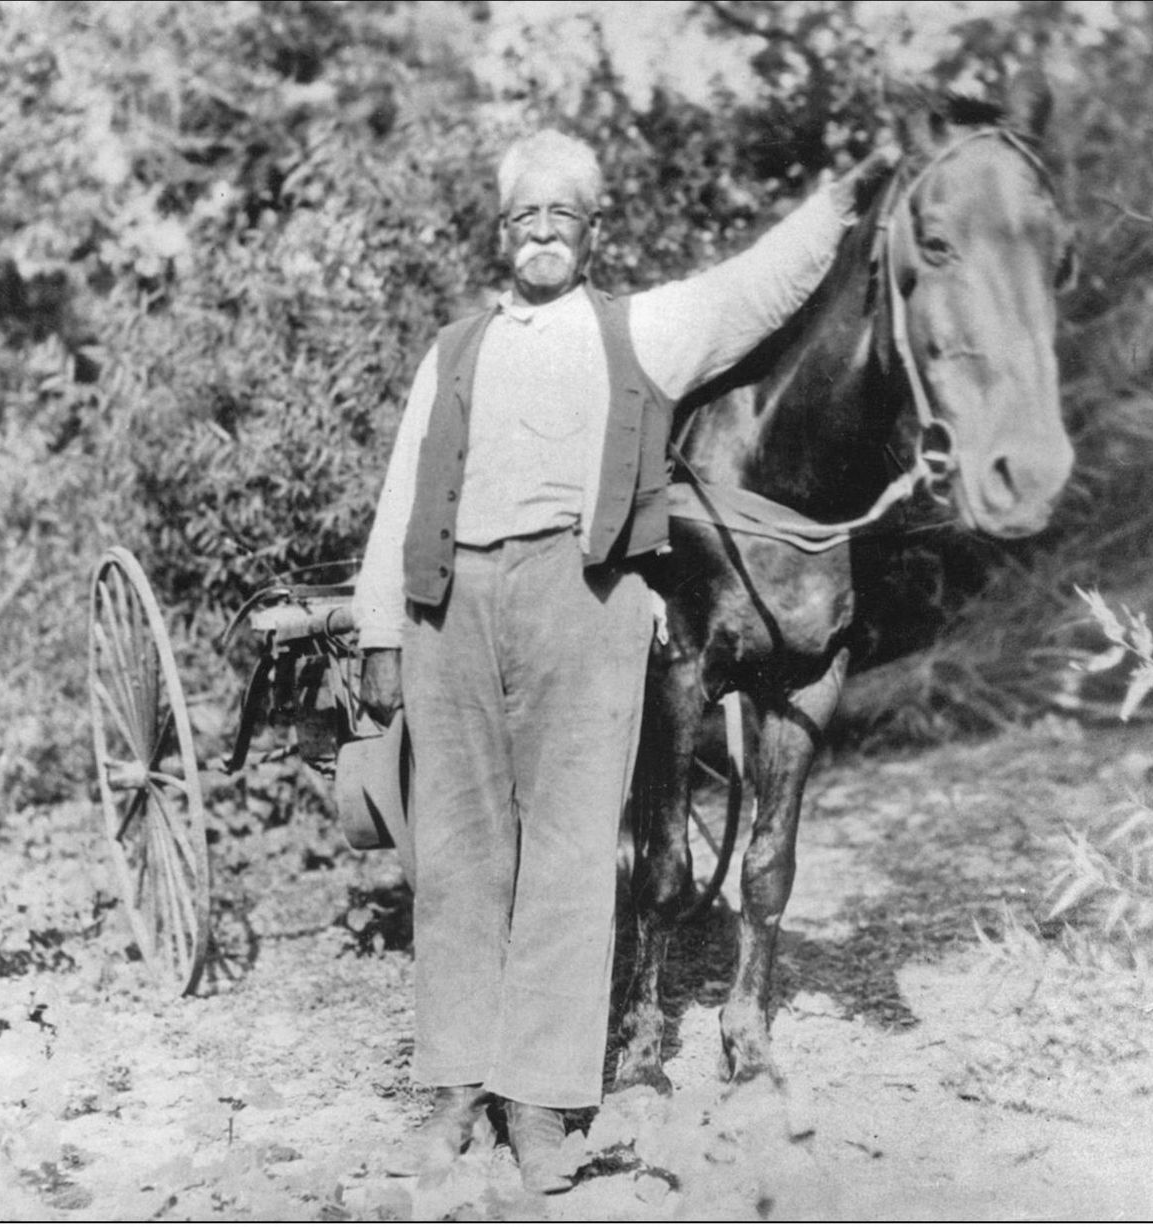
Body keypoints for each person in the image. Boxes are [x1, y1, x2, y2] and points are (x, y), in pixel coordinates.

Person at [353, 129, 895, 1193]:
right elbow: (398, 494)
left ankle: (540, 1103)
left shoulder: (644, 331)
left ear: (594, 232)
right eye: (524, 217)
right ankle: (456, 1089)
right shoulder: (453, 350)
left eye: (564, 215)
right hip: (449, 601)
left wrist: (847, 192)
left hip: (586, 598)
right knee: (461, 856)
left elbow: (759, 284)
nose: (542, 232)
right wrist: (380, 630)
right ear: (500, 236)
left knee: (567, 858)